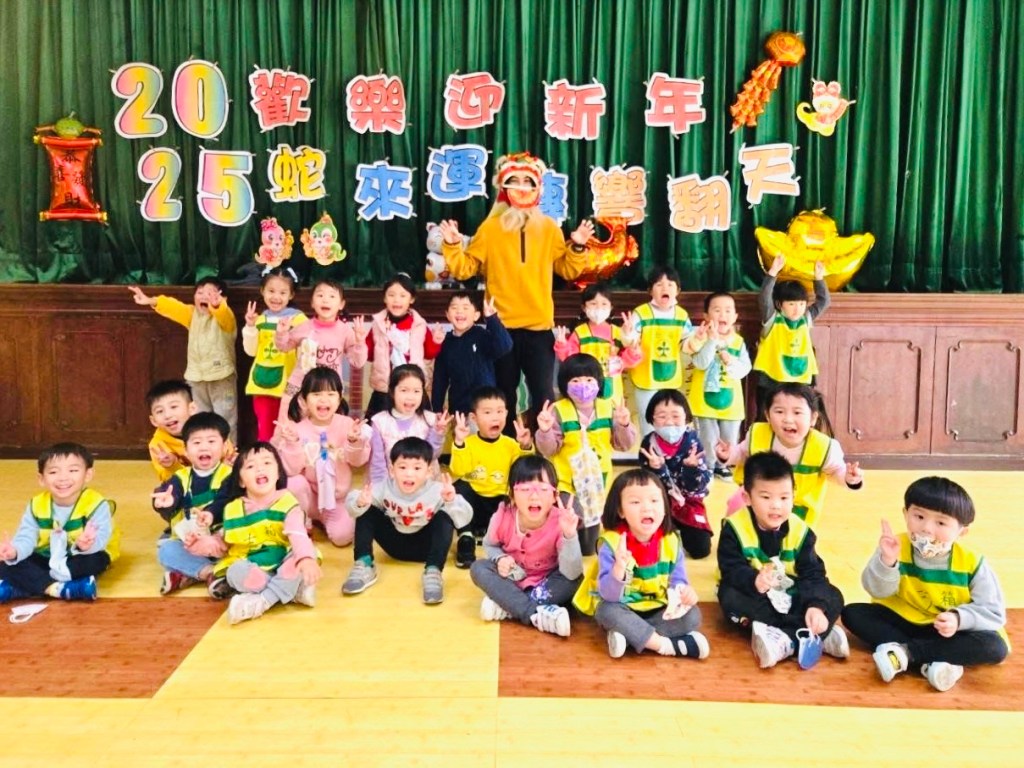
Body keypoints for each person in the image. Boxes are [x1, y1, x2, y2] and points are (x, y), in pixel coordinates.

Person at [437, 151, 594, 433]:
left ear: (538, 188)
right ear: (504, 188)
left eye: (528, 182)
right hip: (501, 328)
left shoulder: (549, 228)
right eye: (514, 181)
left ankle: (544, 448)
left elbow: (568, 270)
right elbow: (465, 269)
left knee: (543, 394)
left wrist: (579, 245)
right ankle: (507, 448)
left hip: (539, 327)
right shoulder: (490, 228)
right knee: (502, 395)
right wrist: (451, 245)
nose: (521, 187)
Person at [842, 477, 1009, 692]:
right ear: (906, 514)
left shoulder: (972, 562)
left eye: (941, 523)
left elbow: (993, 612)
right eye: (919, 517)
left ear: (962, 531)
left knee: (994, 647)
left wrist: (959, 618)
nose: (927, 529)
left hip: (948, 631)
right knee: (852, 614)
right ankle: (936, 660)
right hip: (905, 621)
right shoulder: (894, 546)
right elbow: (876, 591)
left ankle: (907, 653)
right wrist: (887, 562)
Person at [716, 451, 848, 669]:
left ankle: (788, 639)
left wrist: (815, 606)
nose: (776, 505)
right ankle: (814, 636)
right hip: (756, 593)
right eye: (766, 497)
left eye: (784, 498)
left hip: (792, 593)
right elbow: (730, 569)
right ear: (747, 498)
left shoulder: (801, 530)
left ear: (793, 496)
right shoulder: (733, 527)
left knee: (833, 595)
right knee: (730, 599)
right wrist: (753, 580)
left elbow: (813, 574)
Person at [573, 469, 709, 660]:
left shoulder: (671, 540)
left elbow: (678, 582)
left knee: (693, 615)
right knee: (606, 611)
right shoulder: (611, 543)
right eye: (636, 502)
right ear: (620, 511)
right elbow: (609, 596)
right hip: (623, 608)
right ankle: (664, 645)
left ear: (665, 507)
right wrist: (618, 570)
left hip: (658, 608)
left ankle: (631, 637)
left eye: (654, 500)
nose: (647, 508)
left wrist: (685, 593)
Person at [342, 437, 472, 605]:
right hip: (394, 545)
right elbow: (352, 507)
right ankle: (364, 563)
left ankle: (433, 572)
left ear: (428, 472)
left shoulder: (438, 490)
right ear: (392, 470)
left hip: (427, 548)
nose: (409, 473)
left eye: (417, 468)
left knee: (445, 516)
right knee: (366, 507)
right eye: (402, 467)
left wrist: (451, 500)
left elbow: (464, 519)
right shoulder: (384, 487)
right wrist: (360, 502)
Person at [716, 383, 863, 527]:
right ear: (768, 415)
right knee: (738, 503)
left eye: (797, 412)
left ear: (813, 418)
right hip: (760, 499)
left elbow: (836, 470)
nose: (788, 419)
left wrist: (849, 478)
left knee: (790, 538)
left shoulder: (824, 447)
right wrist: (728, 454)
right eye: (779, 412)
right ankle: (734, 535)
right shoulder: (758, 434)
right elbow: (742, 453)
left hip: (798, 508)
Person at [469, 455, 582, 638]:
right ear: (512, 495)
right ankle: (537, 614)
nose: (534, 496)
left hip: (547, 583)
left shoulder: (560, 521)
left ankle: (508, 606)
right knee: (478, 568)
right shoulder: (501, 517)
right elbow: (490, 545)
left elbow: (571, 572)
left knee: (574, 579)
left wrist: (569, 535)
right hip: (511, 579)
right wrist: (500, 558)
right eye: (525, 489)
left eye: (543, 489)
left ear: (555, 496)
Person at [535, 353, 637, 556]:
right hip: (567, 485)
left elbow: (624, 445)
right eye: (575, 380)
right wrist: (545, 431)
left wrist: (624, 424)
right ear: (564, 384)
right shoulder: (557, 410)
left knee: (588, 549)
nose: (583, 385)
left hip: (598, 486)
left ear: (598, 382)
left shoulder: (610, 407)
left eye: (589, 380)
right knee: (568, 534)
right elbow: (548, 450)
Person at [214, 442, 321, 624]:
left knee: (301, 559)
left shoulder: (288, 502)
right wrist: (207, 543)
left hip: (283, 562)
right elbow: (225, 542)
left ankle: (263, 601)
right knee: (235, 572)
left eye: (267, 463)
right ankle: (292, 590)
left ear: (278, 473)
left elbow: (298, 534)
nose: (260, 469)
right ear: (240, 480)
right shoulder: (233, 508)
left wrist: (305, 559)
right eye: (250, 466)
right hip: (252, 566)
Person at [0, 443, 120, 602]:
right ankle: (59, 589)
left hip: (80, 557)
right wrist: (14, 552)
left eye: (73, 470)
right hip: (47, 556)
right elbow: (26, 538)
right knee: (6, 563)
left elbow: (102, 538)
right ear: (41, 479)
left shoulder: (96, 504)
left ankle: (21, 588)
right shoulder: (36, 504)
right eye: (53, 472)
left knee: (95, 561)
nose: (63, 478)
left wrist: (86, 546)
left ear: (88, 474)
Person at [129, 279, 239, 442]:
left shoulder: (226, 318)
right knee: (199, 418)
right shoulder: (192, 315)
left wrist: (218, 306)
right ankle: (203, 452)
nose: (204, 296)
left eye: (211, 293)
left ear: (223, 298)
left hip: (222, 377)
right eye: (200, 293)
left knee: (225, 417)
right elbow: (173, 307)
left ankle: (228, 453)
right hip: (196, 378)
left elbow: (224, 314)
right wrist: (151, 301)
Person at [273, 367, 370, 547]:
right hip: (309, 499)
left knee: (343, 537)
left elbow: (358, 462)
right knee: (294, 482)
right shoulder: (297, 429)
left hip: (336, 500)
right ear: (303, 400)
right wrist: (292, 443)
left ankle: (324, 519)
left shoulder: (347, 425)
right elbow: (291, 470)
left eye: (330, 394)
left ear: (339, 398)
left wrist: (354, 441)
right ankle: (303, 520)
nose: (324, 399)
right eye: (316, 394)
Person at [449, 387, 534, 567]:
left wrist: (525, 446)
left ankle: (499, 536)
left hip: (499, 504)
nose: (495, 418)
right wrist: (459, 443)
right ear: (474, 418)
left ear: (507, 413)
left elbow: (523, 473)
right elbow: (458, 470)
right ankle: (466, 538)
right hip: (474, 504)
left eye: (500, 411)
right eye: (487, 412)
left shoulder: (511, 444)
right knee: (458, 489)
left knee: (517, 495)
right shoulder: (468, 443)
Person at [151, 412, 232, 596]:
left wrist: (211, 515)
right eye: (196, 442)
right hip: (190, 544)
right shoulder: (180, 477)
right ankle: (210, 573)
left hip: (221, 542)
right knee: (166, 550)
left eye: (211, 441)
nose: (204, 447)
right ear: (186, 450)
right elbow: (167, 493)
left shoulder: (230, 475)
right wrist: (165, 503)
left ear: (224, 446)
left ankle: (187, 575)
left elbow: (225, 500)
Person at [274, 278, 368, 420]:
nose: (325, 300)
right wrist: (282, 333)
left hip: (328, 390)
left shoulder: (345, 331)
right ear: (312, 302)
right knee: (289, 424)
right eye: (320, 295)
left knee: (325, 427)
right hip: (299, 386)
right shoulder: (304, 327)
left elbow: (358, 362)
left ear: (341, 304)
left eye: (332, 296)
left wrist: (360, 342)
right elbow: (284, 347)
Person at [637, 389, 713, 559]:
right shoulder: (648, 444)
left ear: (686, 417)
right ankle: (668, 526)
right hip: (659, 503)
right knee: (648, 546)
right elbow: (646, 487)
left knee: (700, 549)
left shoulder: (693, 443)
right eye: (662, 416)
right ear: (652, 419)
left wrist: (691, 468)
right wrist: (656, 469)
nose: (669, 422)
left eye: (676, 416)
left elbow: (695, 488)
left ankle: (679, 526)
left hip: (689, 502)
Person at [622, 266, 697, 438]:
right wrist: (627, 333)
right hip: (645, 378)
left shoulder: (681, 315)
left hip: (671, 378)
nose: (665, 288)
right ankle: (649, 453)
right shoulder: (641, 313)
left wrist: (698, 338)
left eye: (670, 284)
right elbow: (631, 343)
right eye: (659, 284)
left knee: (670, 423)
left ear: (678, 290)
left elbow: (687, 345)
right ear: (650, 290)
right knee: (648, 423)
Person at [752, 255, 830, 416]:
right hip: (771, 379)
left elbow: (824, 301)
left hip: (800, 378)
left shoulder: (805, 319)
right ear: (780, 304)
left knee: (798, 415)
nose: (797, 308)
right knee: (766, 416)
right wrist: (773, 273)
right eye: (792, 303)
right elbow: (764, 298)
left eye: (801, 304)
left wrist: (818, 279)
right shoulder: (772, 318)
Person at [686, 291, 751, 478]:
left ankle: (723, 465)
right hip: (703, 401)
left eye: (728, 310)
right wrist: (712, 341)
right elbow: (700, 363)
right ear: (706, 316)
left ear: (735, 316)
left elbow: (744, 369)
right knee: (707, 437)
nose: (723, 314)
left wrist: (731, 362)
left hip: (731, 401)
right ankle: (707, 466)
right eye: (717, 310)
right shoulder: (699, 337)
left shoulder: (738, 342)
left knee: (729, 436)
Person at [241, 266, 306, 441]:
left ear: (291, 295)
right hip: (261, 385)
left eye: (283, 293)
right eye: (271, 291)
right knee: (265, 430)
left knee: (290, 431)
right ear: (262, 291)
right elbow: (251, 351)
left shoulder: (298, 319)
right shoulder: (259, 319)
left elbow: (306, 351)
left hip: (290, 386)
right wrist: (250, 326)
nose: (276, 297)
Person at [365, 273, 440, 418]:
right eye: (391, 295)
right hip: (385, 389)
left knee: (419, 428)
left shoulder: (419, 325)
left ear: (411, 299)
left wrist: (436, 341)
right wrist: (359, 342)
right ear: (384, 298)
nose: (396, 300)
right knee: (377, 427)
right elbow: (369, 355)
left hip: (413, 387)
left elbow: (429, 353)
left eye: (402, 295)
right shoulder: (378, 324)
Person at [553, 282, 641, 404]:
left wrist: (632, 344)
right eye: (593, 304)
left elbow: (629, 360)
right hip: (585, 388)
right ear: (584, 307)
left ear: (611, 307)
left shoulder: (618, 332)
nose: (599, 308)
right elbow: (571, 359)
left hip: (613, 390)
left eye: (604, 304)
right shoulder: (580, 332)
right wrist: (562, 345)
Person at [430, 291, 513, 417]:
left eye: (465, 307)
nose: (459, 311)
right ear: (447, 315)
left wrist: (492, 319)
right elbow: (440, 380)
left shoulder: (482, 336)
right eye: (454, 307)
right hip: (459, 409)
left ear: (476, 315)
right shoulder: (446, 343)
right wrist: (437, 410)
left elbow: (505, 346)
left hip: (485, 407)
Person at [368, 364, 448, 485]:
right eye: (404, 390)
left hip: (425, 486)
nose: (411, 397)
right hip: (392, 488)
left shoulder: (431, 420)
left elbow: (432, 455)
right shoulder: (379, 422)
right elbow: (377, 463)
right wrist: (381, 490)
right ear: (392, 392)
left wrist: (438, 432)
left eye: (416, 391)